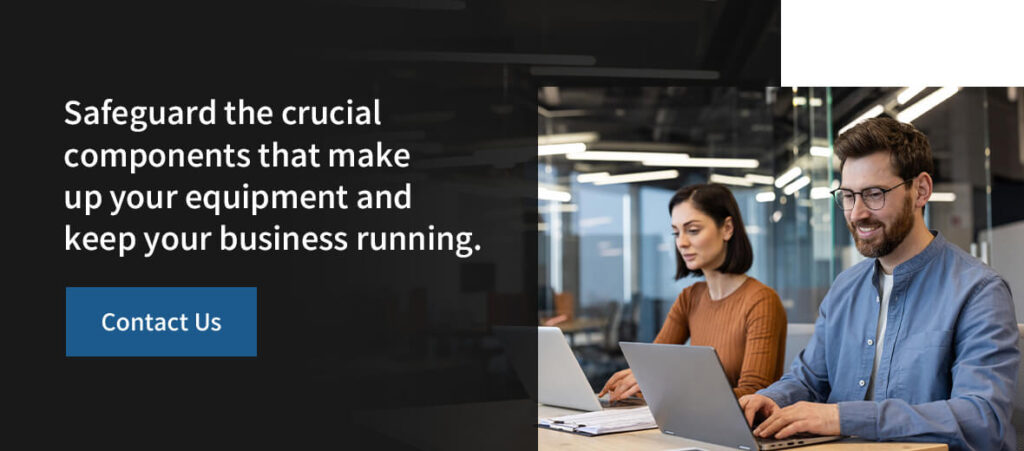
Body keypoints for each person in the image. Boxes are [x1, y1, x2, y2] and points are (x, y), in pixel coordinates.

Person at [739, 117, 1019, 451]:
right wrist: (768, 400)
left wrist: (843, 418)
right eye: (847, 196)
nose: (857, 213)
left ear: (921, 190)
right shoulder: (845, 288)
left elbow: (981, 419)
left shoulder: (979, 291)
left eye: (873, 194)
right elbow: (809, 380)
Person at [599, 183, 787, 401]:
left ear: (727, 228)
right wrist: (639, 380)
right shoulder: (690, 297)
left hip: (740, 430)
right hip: (695, 422)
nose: (681, 242)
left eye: (693, 230)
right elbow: (652, 366)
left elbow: (754, 394)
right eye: (676, 232)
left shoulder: (761, 301)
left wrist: (673, 389)